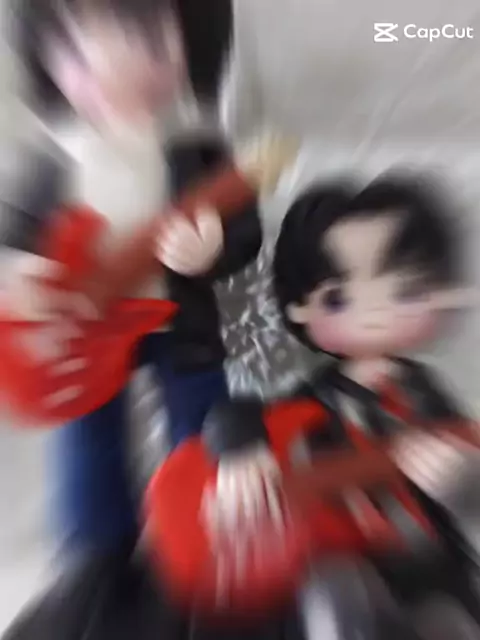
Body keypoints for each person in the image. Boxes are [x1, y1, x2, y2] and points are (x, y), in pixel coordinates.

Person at [1, 0, 260, 638]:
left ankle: (202, 537)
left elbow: (244, 230)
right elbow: (16, 237)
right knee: (88, 440)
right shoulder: (53, 161)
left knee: (200, 424)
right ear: (45, 63)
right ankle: (97, 554)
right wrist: (22, 273)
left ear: (192, 45)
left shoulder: (200, 152)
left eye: (148, 42)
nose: (115, 67)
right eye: (80, 51)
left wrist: (213, 248)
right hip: (87, 340)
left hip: (182, 326)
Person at [198, 173, 480, 639]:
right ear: (298, 308)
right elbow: (236, 413)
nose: (375, 313)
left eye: (406, 291)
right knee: (333, 591)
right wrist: (238, 450)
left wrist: (464, 481)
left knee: (445, 617)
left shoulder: (427, 398)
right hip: (340, 560)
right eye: (338, 298)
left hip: (431, 563)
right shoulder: (314, 399)